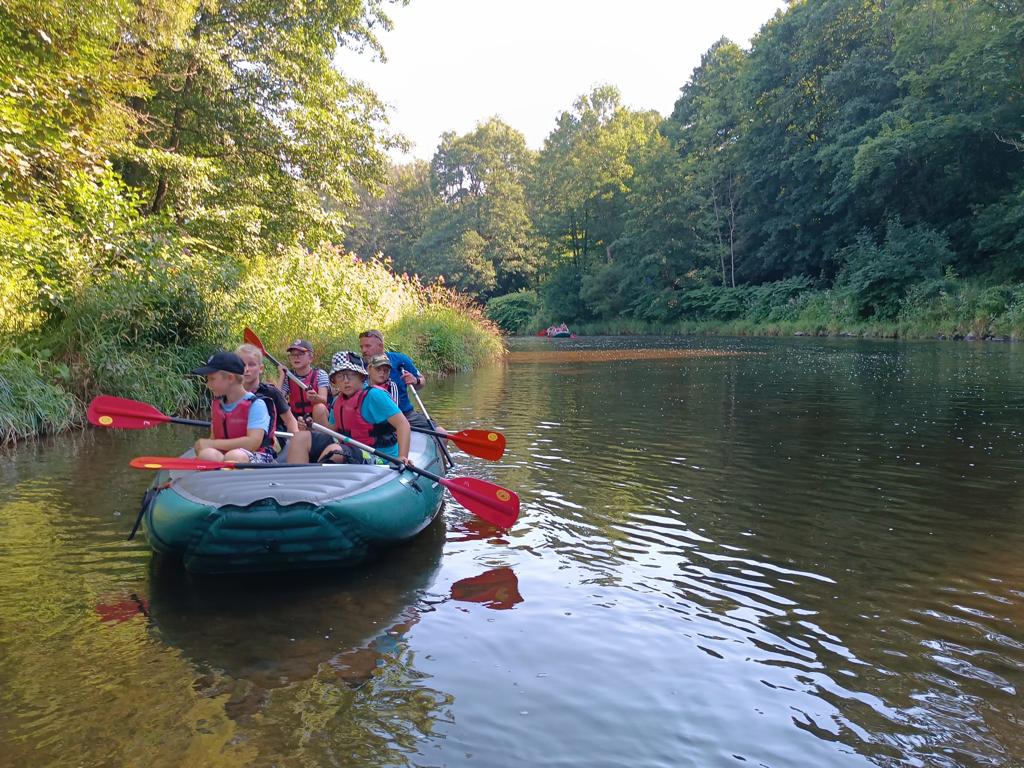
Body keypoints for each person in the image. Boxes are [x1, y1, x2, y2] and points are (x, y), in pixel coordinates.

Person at [286, 351, 412, 466]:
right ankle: (293, 483)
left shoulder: (374, 395)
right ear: (334, 381)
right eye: (340, 376)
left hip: (379, 456)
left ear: (362, 377)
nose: (346, 381)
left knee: (335, 451)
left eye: (351, 375)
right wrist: (309, 426)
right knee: (300, 437)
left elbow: (403, 424)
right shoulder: (338, 401)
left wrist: (402, 457)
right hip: (350, 447)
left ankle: (317, 484)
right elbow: (333, 430)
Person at [191, 350, 276, 463]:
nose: (208, 385)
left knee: (235, 456)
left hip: (255, 456)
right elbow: (214, 437)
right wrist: (204, 447)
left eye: (212, 379)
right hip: (227, 454)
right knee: (207, 454)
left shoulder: (256, 405)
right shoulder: (217, 404)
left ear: (230, 378)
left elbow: (253, 443)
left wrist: (212, 444)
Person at [357, 329, 430, 429]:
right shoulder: (357, 365)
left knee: (441, 433)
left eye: (368, 346)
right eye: (361, 347)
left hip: (406, 414)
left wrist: (415, 381)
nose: (363, 350)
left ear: (381, 346)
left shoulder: (400, 360)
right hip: (372, 417)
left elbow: (422, 381)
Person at [236, 343, 300, 451]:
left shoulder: (271, 392)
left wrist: (299, 445)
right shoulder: (231, 394)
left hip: (272, 440)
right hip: (243, 439)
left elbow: (290, 421)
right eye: (242, 365)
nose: (246, 369)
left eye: (251, 365)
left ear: (260, 369)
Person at [275, 339, 330, 428]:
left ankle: (322, 438)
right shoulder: (288, 377)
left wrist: (315, 397)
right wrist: (281, 376)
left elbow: (324, 400)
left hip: (317, 416)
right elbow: (277, 399)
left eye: (300, 354)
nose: (296, 357)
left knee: (319, 407)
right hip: (297, 417)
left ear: (310, 358)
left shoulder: (320, 374)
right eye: (293, 354)